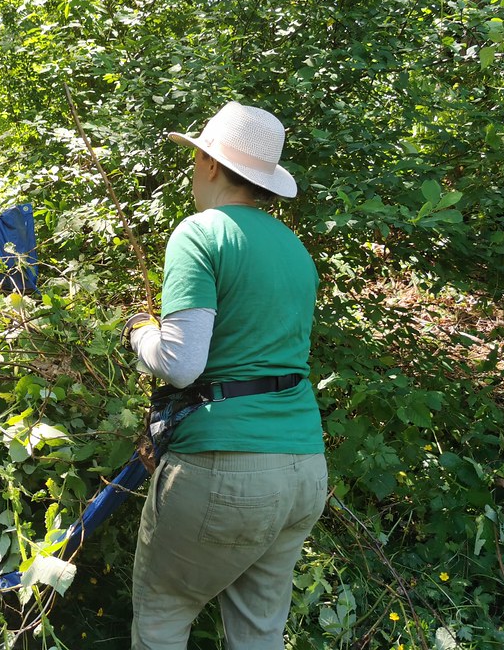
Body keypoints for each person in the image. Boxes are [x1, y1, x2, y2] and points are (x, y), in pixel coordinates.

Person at [121, 102, 328, 650]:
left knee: (164, 614)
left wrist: (138, 332)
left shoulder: (200, 234)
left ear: (210, 165)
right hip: (304, 467)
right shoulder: (296, 251)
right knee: (258, 632)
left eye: (195, 159)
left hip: (225, 467)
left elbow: (183, 363)